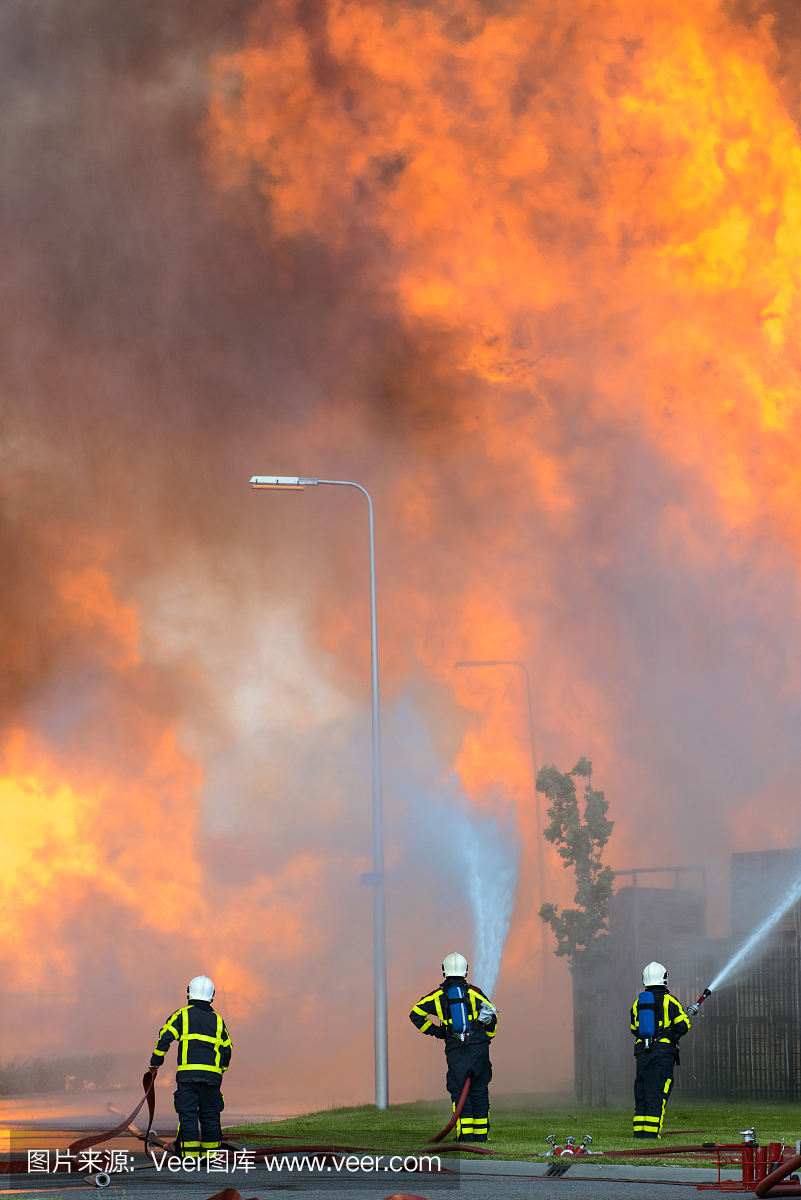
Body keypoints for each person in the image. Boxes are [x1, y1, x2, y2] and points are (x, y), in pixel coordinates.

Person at [409, 952, 497, 1143]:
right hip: (480, 1048)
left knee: (460, 1091)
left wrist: (437, 1032)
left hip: (456, 1049)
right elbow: (492, 1015)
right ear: (465, 970)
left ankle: (466, 1137)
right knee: (479, 1090)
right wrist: (486, 1037)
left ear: (444, 971)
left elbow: (415, 1014)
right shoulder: (474, 992)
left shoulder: (438, 996)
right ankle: (481, 1137)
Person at [149, 975, 232, 1158]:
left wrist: (155, 1062)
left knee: (188, 1116)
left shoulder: (182, 1015)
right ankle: (210, 1158)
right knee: (210, 1117)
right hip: (212, 1079)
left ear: (189, 993)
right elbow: (227, 1049)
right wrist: (221, 1069)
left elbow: (165, 1037)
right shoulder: (218, 1020)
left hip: (188, 1078)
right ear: (212, 996)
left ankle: (190, 1157)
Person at [630, 961, 690, 1139]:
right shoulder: (671, 1001)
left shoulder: (637, 1004)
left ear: (644, 980)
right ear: (664, 978)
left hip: (642, 1055)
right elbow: (683, 1026)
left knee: (642, 1094)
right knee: (657, 1094)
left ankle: (639, 1133)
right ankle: (650, 1135)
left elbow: (635, 1028)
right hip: (662, 1055)